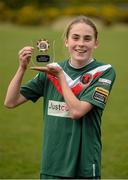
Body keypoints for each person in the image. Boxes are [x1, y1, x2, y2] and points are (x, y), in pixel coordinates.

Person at [4, 16, 116, 179]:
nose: (81, 44)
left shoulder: (104, 71)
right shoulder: (52, 71)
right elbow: (11, 101)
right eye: (75, 37)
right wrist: (22, 68)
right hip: (52, 165)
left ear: (96, 43)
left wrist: (60, 77)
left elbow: (77, 112)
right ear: (66, 41)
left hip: (84, 166)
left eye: (87, 38)